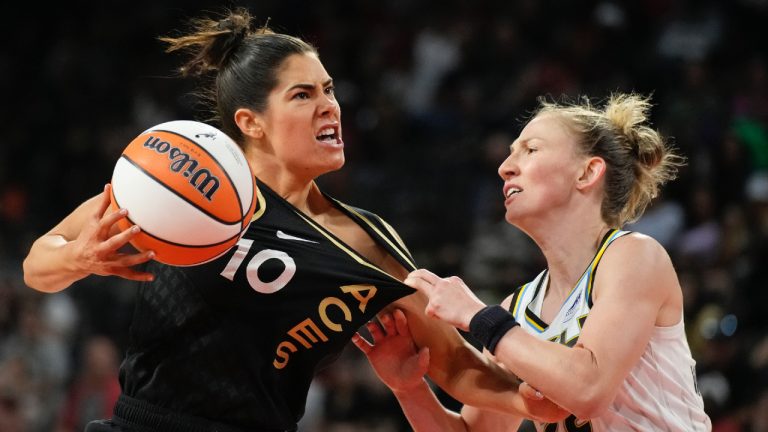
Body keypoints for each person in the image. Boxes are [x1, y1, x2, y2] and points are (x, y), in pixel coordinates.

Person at [22, 8, 566, 432]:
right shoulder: (180, 180)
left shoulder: (365, 242)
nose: (330, 106)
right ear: (251, 123)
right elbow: (37, 265)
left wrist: (531, 396)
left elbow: (449, 362)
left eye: (329, 90)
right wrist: (77, 257)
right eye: (303, 95)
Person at [354, 93, 713, 431]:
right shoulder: (519, 308)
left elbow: (588, 389)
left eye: (530, 150)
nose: (505, 168)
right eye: (511, 153)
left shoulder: (635, 256)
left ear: (587, 173)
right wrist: (408, 388)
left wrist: (479, 318)